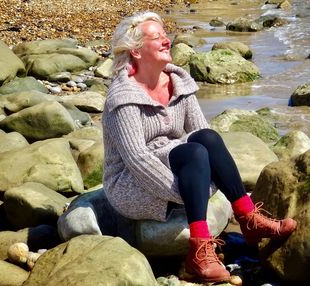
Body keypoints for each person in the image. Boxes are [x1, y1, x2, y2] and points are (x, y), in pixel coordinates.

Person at [102, 11, 297, 283]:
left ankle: (248, 218)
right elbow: (137, 160)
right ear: (135, 50)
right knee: (194, 152)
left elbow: (199, 132)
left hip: (172, 160)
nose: (166, 41)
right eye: (156, 37)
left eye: (165, 35)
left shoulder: (178, 81)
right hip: (130, 183)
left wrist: (199, 181)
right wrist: (184, 192)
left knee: (207, 138)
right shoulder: (122, 97)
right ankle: (199, 251)